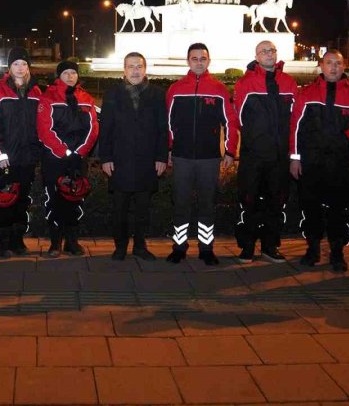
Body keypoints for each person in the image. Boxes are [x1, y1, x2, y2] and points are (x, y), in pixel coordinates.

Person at [289, 49, 349, 271]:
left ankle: (337, 253)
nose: (333, 67)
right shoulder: (306, 93)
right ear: (321, 65)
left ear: (343, 66)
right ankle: (313, 249)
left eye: (337, 63)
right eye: (329, 63)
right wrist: (295, 158)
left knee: (339, 210)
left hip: (340, 163)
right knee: (310, 208)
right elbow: (295, 129)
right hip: (310, 162)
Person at [165, 43, 238, 265]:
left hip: (209, 158)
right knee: (181, 204)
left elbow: (231, 122)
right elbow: (167, 123)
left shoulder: (218, 89)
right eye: (194, 58)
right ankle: (179, 247)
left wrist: (230, 151)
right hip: (181, 156)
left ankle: (206, 248)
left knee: (207, 203)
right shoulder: (175, 89)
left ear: (208, 60)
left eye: (202, 58)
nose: (198, 61)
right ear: (187, 61)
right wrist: (168, 149)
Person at [98, 52, 168, 261]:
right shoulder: (112, 94)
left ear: (145, 69)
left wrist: (162, 157)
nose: (135, 70)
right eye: (131, 66)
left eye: (139, 66)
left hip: (148, 161)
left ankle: (140, 246)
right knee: (119, 208)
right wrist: (106, 158)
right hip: (120, 161)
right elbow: (106, 129)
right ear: (124, 70)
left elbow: (162, 129)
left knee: (143, 209)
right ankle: (120, 247)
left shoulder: (156, 94)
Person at [233, 40, 298, 263]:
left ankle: (270, 247)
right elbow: (239, 118)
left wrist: (291, 153)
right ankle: (247, 246)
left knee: (276, 202)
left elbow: (295, 120)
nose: (269, 54)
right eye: (264, 51)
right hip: (254, 155)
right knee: (248, 200)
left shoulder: (288, 82)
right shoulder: (245, 83)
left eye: (272, 51)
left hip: (280, 157)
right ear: (257, 55)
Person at [0, 47, 42, 258]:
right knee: (6, 198)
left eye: (24, 64)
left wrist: (37, 151)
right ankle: (4, 242)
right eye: (16, 64)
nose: (20, 68)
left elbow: (40, 125)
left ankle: (18, 241)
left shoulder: (35, 91)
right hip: (6, 158)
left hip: (27, 157)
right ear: (9, 67)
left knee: (23, 199)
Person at [37, 60, 99, 256]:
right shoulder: (48, 97)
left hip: (79, 158)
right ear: (59, 76)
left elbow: (93, 129)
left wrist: (80, 152)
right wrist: (64, 152)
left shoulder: (86, 98)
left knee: (75, 198)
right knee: (54, 200)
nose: (70, 76)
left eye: (73, 72)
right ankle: (55, 242)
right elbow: (44, 129)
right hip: (55, 158)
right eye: (66, 73)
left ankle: (72, 241)